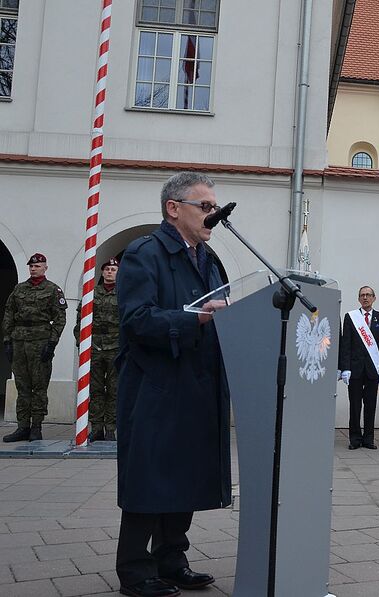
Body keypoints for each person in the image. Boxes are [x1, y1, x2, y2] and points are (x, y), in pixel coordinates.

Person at [114, 172, 229, 597]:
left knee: (184, 473)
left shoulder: (208, 259)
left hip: (198, 382)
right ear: (173, 208)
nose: (212, 215)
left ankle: (171, 558)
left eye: (214, 207)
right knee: (151, 475)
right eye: (206, 207)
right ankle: (135, 569)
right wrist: (193, 317)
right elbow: (136, 319)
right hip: (155, 386)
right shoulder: (144, 254)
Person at [2, 253, 66, 443]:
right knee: (22, 386)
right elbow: (8, 313)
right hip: (19, 341)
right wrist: (7, 340)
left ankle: (36, 427)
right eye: (31, 266)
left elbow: (60, 319)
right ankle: (22, 427)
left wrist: (52, 343)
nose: (33, 268)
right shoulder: (19, 289)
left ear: (45, 267)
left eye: (37, 265)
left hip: (40, 342)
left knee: (39, 387)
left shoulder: (53, 290)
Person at [73, 258, 120, 442]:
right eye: (107, 269)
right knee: (95, 389)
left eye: (113, 269)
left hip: (116, 346)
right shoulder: (91, 294)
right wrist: (81, 344)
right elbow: (81, 321)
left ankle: (110, 429)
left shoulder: (123, 294)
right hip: (95, 346)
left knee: (114, 390)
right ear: (102, 272)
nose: (110, 272)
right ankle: (97, 427)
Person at [339, 286, 379, 450]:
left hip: (372, 369)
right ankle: (354, 439)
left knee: (370, 405)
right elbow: (345, 344)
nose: (365, 298)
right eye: (362, 295)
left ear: (374, 298)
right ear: (359, 298)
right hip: (354, 369)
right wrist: (344, 367)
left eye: (368, 295)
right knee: (354, 405)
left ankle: (368, 439)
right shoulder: (351, 317)